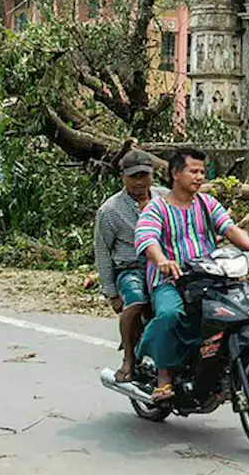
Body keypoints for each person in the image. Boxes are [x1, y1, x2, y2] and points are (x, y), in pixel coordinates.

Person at [134, 148, 249, 402]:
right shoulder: (156, 208)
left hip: (209, 276)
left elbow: (230, 229)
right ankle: (163, 376)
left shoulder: (207, 203)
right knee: (170, 314)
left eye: (202, 172)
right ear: (176, 174)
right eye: (193, 171)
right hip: (171, 280)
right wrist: (162, 260)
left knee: (243, 309)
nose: (199, 177)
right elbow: (146, 238)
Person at [95, 149, 168, 383]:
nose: (139, 182)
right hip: (131, 268)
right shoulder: (110, 211)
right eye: (133, 177)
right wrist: (111, 293)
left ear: (152, 176)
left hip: (163, 265)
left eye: (144, 176)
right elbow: (103, 251)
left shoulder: (165, 199)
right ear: (123, 177)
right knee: (136, 302)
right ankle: (129, 358)